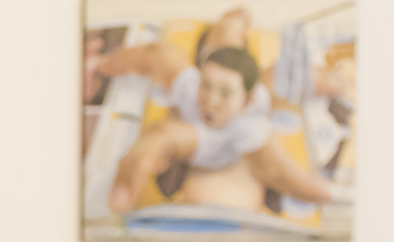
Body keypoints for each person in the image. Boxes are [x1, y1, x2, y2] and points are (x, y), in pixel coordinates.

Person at [96, 34, 332, 213]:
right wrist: (106, 64)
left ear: (248, 100)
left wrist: (326, 193)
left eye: (224, 93)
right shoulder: (190, 88)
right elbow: (157, 54)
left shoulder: (251, 127)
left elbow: (282, 174)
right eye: (205, 86)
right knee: (225, 34)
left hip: (220, 139)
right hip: (197, 132)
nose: (210, 101)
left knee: (237, 32)